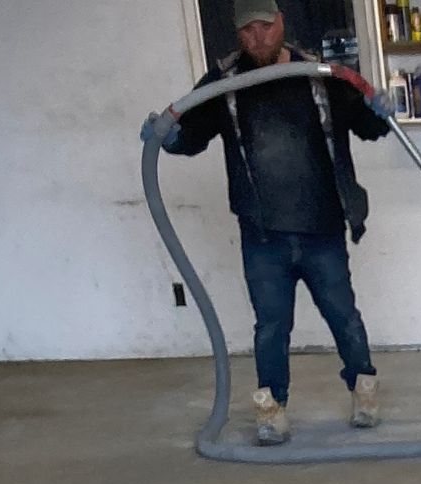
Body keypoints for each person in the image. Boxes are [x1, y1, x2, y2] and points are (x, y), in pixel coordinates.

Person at [147, 6, 393, 444]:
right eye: (248, 30)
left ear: (281, 22)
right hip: (263, 236)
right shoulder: (223, 83)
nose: (258, 37)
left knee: (344, 316)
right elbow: (192, 136)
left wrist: (380, 109)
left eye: (266, 26)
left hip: (322, 229)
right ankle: (272, 407)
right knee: (271, 325)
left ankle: (364, 390)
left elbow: (368, 127)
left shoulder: (320, 74)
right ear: (237, 34)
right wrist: (167, 136)